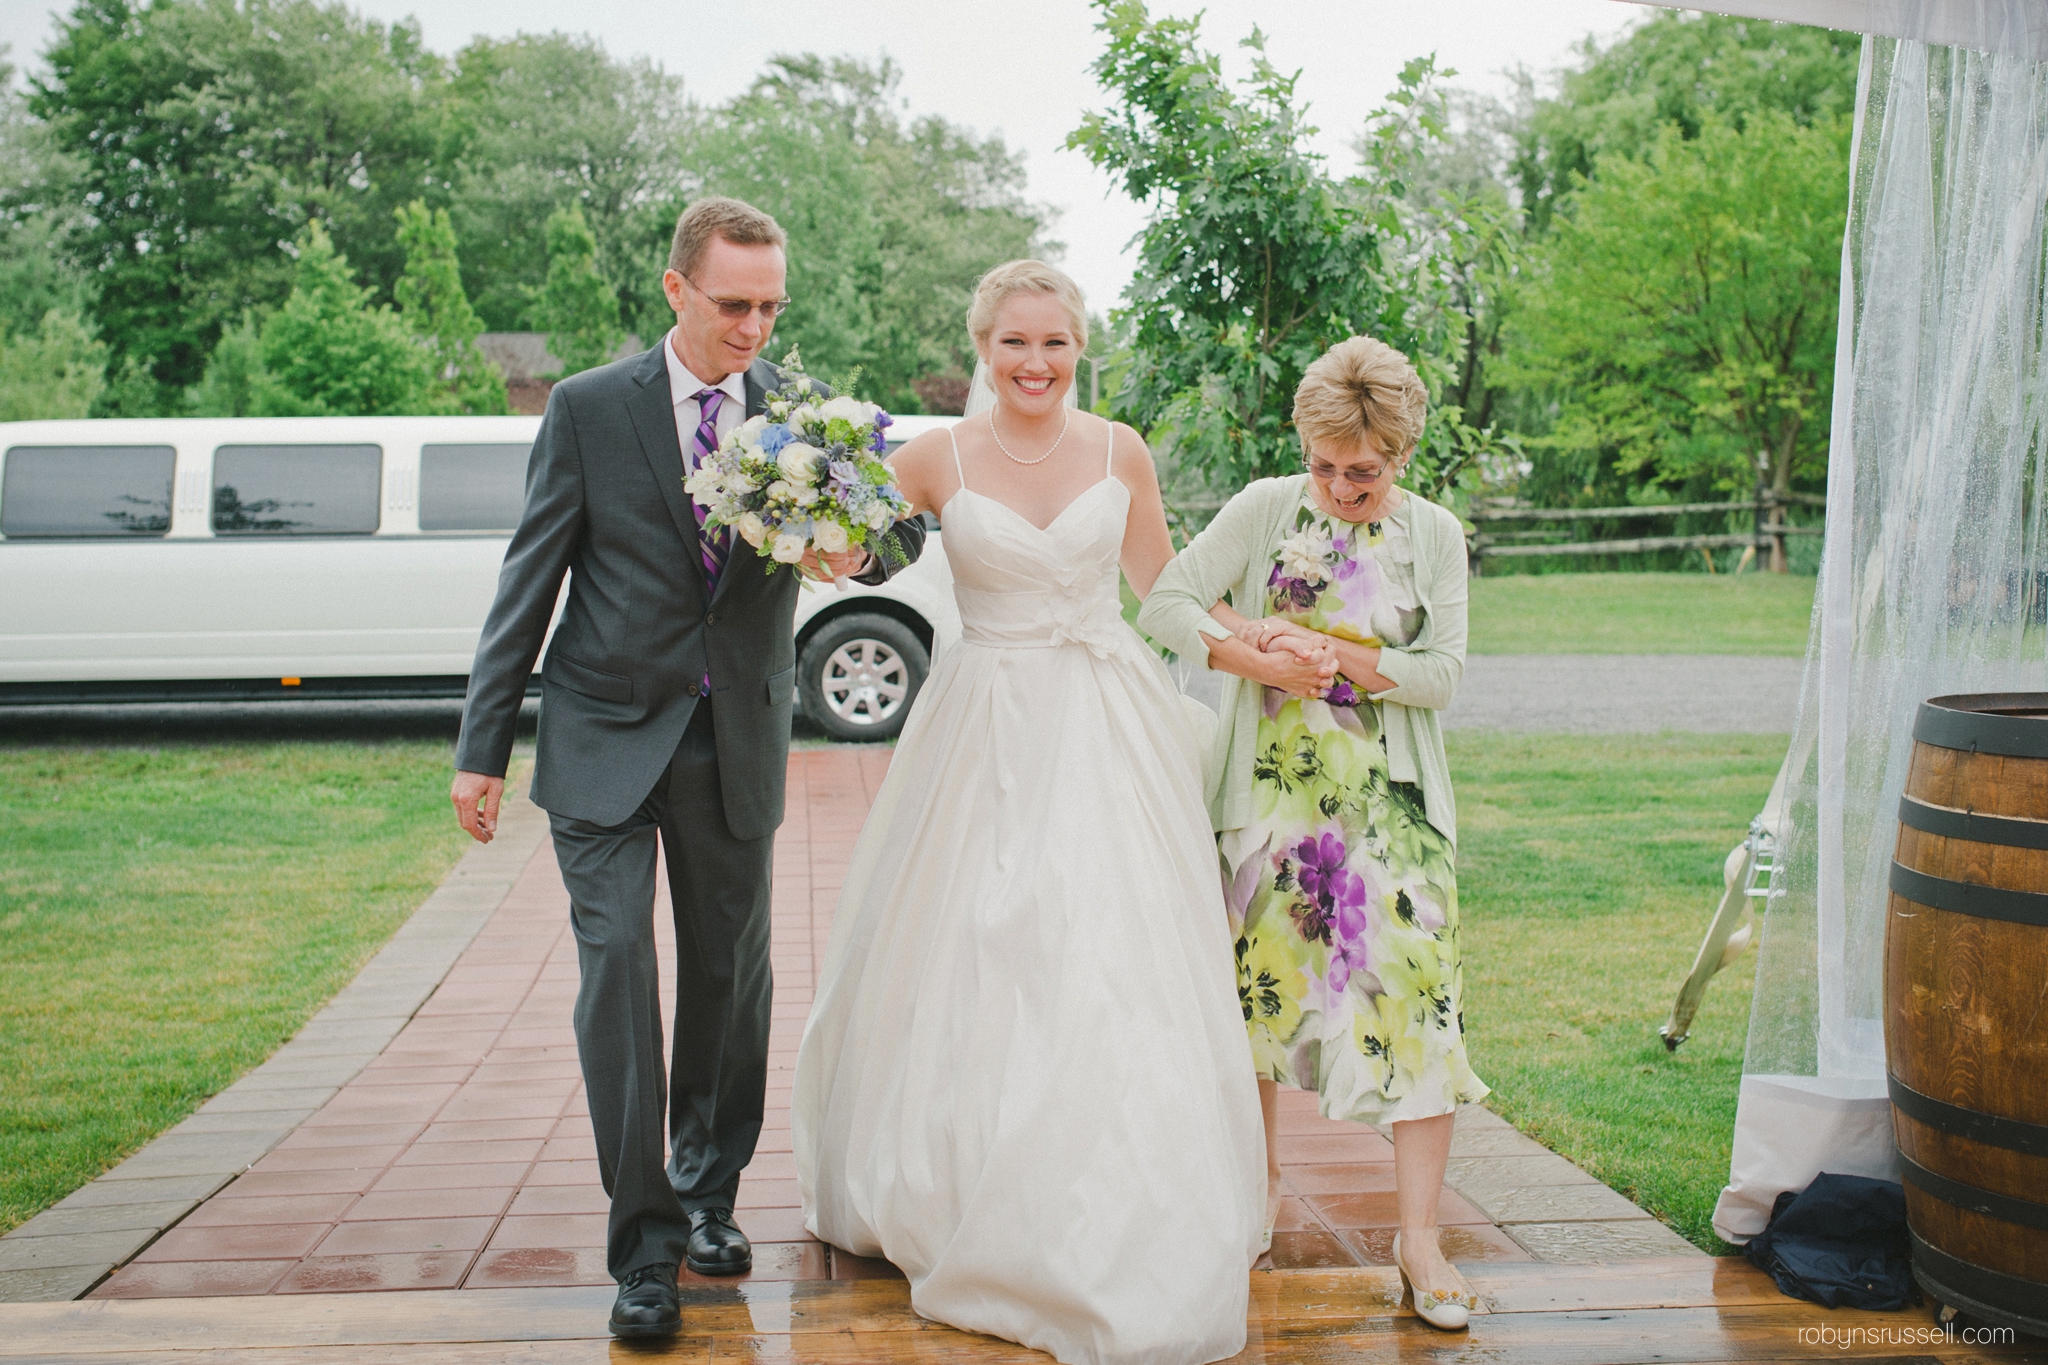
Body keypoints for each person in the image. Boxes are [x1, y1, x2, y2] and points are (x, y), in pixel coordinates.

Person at [449, 197, 925, 1340]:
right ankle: (643, 1249)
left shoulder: (806, 416)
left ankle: (706, 1193)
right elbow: (530, 582)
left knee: (728, 985)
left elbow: (904, 526)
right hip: (602, 740)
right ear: (676, 290)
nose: (754, 327)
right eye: (733, 305)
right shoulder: (585, 410)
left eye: (770, 306)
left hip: (737, 742)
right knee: (618, 980)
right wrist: (480, 749)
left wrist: (856, 543)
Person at [792, 260, 1271, 1365]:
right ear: (980, 346)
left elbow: (1161, 595)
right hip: (985, 724)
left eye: (1053, 343)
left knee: (1112, 950)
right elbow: (852, 553)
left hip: (1106, 719)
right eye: (1013, 343)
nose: (1035, 364)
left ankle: (1119, 1184)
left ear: (1078, 346)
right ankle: (968, 1179)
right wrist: (820, 541)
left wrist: (1258, 653)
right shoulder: (932, 456)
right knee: (981, 944)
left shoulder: (1119, 450)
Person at [1137, 336, 1487, 1332]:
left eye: (1363, 473)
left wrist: (1336, 657)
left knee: (1416, 1009)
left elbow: (1443, 674)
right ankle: (1256, 1194)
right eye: (1326, 465)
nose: (1340, 486)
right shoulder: (1262, 509)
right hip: (1269, 810)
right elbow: (1161, 600)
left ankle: (1418, 1239)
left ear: (1401, 454)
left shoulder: (1433, 534)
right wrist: (1254, 658)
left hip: (1391, 818)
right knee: (1253, 1016)